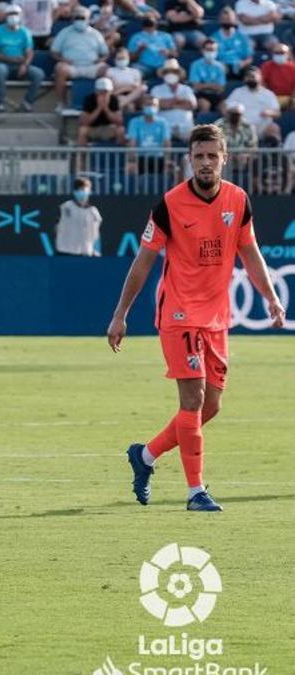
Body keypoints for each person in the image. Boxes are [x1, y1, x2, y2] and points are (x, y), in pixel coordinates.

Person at [108, 124, 286, 512]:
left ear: (225, 158)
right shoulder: (169, 205)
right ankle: (195, 492)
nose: (205, 163)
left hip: (216, 315)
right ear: (189, 159)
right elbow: (143, 262)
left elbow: (250, 254)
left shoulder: (238, 200)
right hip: (179, 311)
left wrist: (270, 297)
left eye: (212, 155)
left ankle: (146, 456)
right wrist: (121, 314)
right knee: (193, 399)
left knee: (212, 406)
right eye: (199, 156)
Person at [50, 6, 109, 112]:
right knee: (59, 68)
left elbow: (105, 53)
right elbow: (54, 52)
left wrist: (101, 60)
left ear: (88, 19)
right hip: (71, 67)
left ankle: (102, 104)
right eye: (77, 18)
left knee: (106, 69)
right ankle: (62, 103)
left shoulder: (96, 34)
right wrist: (62, 59)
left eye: (83, 18)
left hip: (92, 66)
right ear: (73, 19)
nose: (80, 20)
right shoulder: (64, 32)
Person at [0, 5, 44, 113]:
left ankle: (28, 102)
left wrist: (25, 65)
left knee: (38, 73)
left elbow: (29, 52)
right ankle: (0, 103)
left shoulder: (25, 32)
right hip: (2, 63)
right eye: (10, 14)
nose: (13, 17)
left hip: (20, 65)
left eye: (15, 14)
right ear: (6, 16)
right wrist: (11, 59)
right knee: (0, 71)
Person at [151, 58, 196, 142]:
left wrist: (169, 104)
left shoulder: (186, 89)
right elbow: (157, 105)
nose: (170, 74)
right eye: (167, 72)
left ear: (178, 74)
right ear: (163, 74)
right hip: (165, 128)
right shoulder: (156, 89)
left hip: (185, 127)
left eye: (173, 72)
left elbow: (191, 105)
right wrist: (180, 102)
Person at [54, 177, 102, 255]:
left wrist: (94, 250)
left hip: (85, 253)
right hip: (64, 252)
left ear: (89, 191)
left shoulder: (93, 212)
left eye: (84, 189)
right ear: (74, 191)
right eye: (78, 189)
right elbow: (56, 228)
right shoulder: (64, 207)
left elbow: (96, 234)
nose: (81, 192)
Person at [126, 95, 172, 176]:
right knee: (130, 168)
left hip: (159, 158)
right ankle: (135, 188)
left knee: (172, 169)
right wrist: (132, 160)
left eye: (153, 105)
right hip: (140, 157)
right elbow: (132, 143)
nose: (150, 107)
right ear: (143, 106)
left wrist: (167, 160)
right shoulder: (134, 122)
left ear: (158, 107)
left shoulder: (163, 122)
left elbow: (167, 142)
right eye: (147, 105)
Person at [77, 77, 126, 146]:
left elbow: (119, 122)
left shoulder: (114, 99)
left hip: (109, 128)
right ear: (96, 91)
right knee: (82, 131)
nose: (103, 94)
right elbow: (84, 122)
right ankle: (82, 156)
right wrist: (99, 108)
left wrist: (106, 108)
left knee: (121, 130)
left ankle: (120, 156)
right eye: (101, 92)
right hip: (93, 128)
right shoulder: (89, 99)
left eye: (106, 92)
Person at [211, 9, 254, 77]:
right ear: (220, 20)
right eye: (224, 19)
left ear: (235, 20)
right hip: (221, 66)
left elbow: (249, 58)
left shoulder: (243, 37)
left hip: (239, 66)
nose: (227, 21)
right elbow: (210, 57)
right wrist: (219, 65)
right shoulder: (213, 38)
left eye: (229, 19)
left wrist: (242, 64)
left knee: (251, 72)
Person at [189, 42, 228, 113]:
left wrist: (204, 85)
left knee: (225, 107)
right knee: (205, 105)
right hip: (200, 95)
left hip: (216, 95)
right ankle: (202, 123)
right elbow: (196, 86)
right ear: (202, 50)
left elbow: (221, 88)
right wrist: (212, 85)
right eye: (208, 49)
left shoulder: (220, 66)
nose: (210, 52)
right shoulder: (195, 65)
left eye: (212, 50)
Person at [107, 47, 146, 111]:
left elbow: (136, 88)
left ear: (128, 58)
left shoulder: (136, 71)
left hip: (134, 96)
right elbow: (110, 91)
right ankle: (122, 104)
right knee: (130, 106)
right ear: (115, 59)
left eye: (123, 58)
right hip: (117, 95)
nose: (121, 60)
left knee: (144, 87)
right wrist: (126, 88)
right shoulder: (110, 71)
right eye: (119, 58)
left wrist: (124, 88)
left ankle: (119, 105)